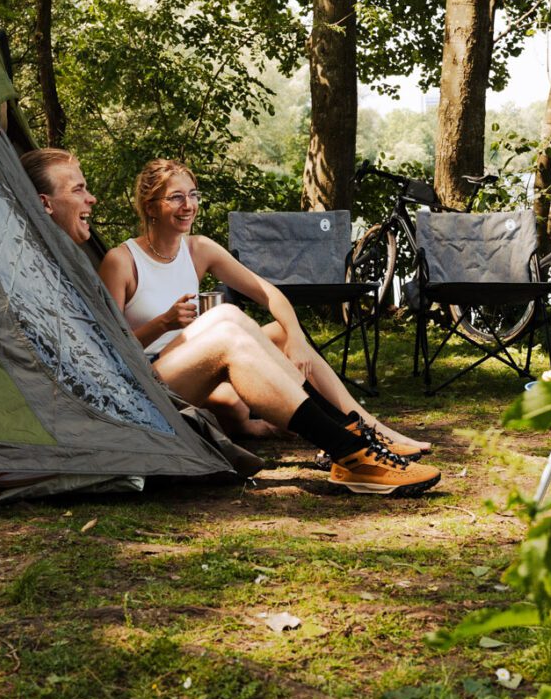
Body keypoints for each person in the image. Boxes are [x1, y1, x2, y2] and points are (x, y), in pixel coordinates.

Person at [23, 150, 438, 498]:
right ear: (151, 206)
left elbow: (268, 292)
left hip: (161, 373)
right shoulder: (104, 261)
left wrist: (293, 337)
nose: (188, 206)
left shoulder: (67, 258)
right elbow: (111, 352)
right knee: (225, 324)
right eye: (79, 189)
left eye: (193, 195)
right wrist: (165, 323)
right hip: (137, 387)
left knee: (234, 319)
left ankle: (361, 432)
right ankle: (350, 450)